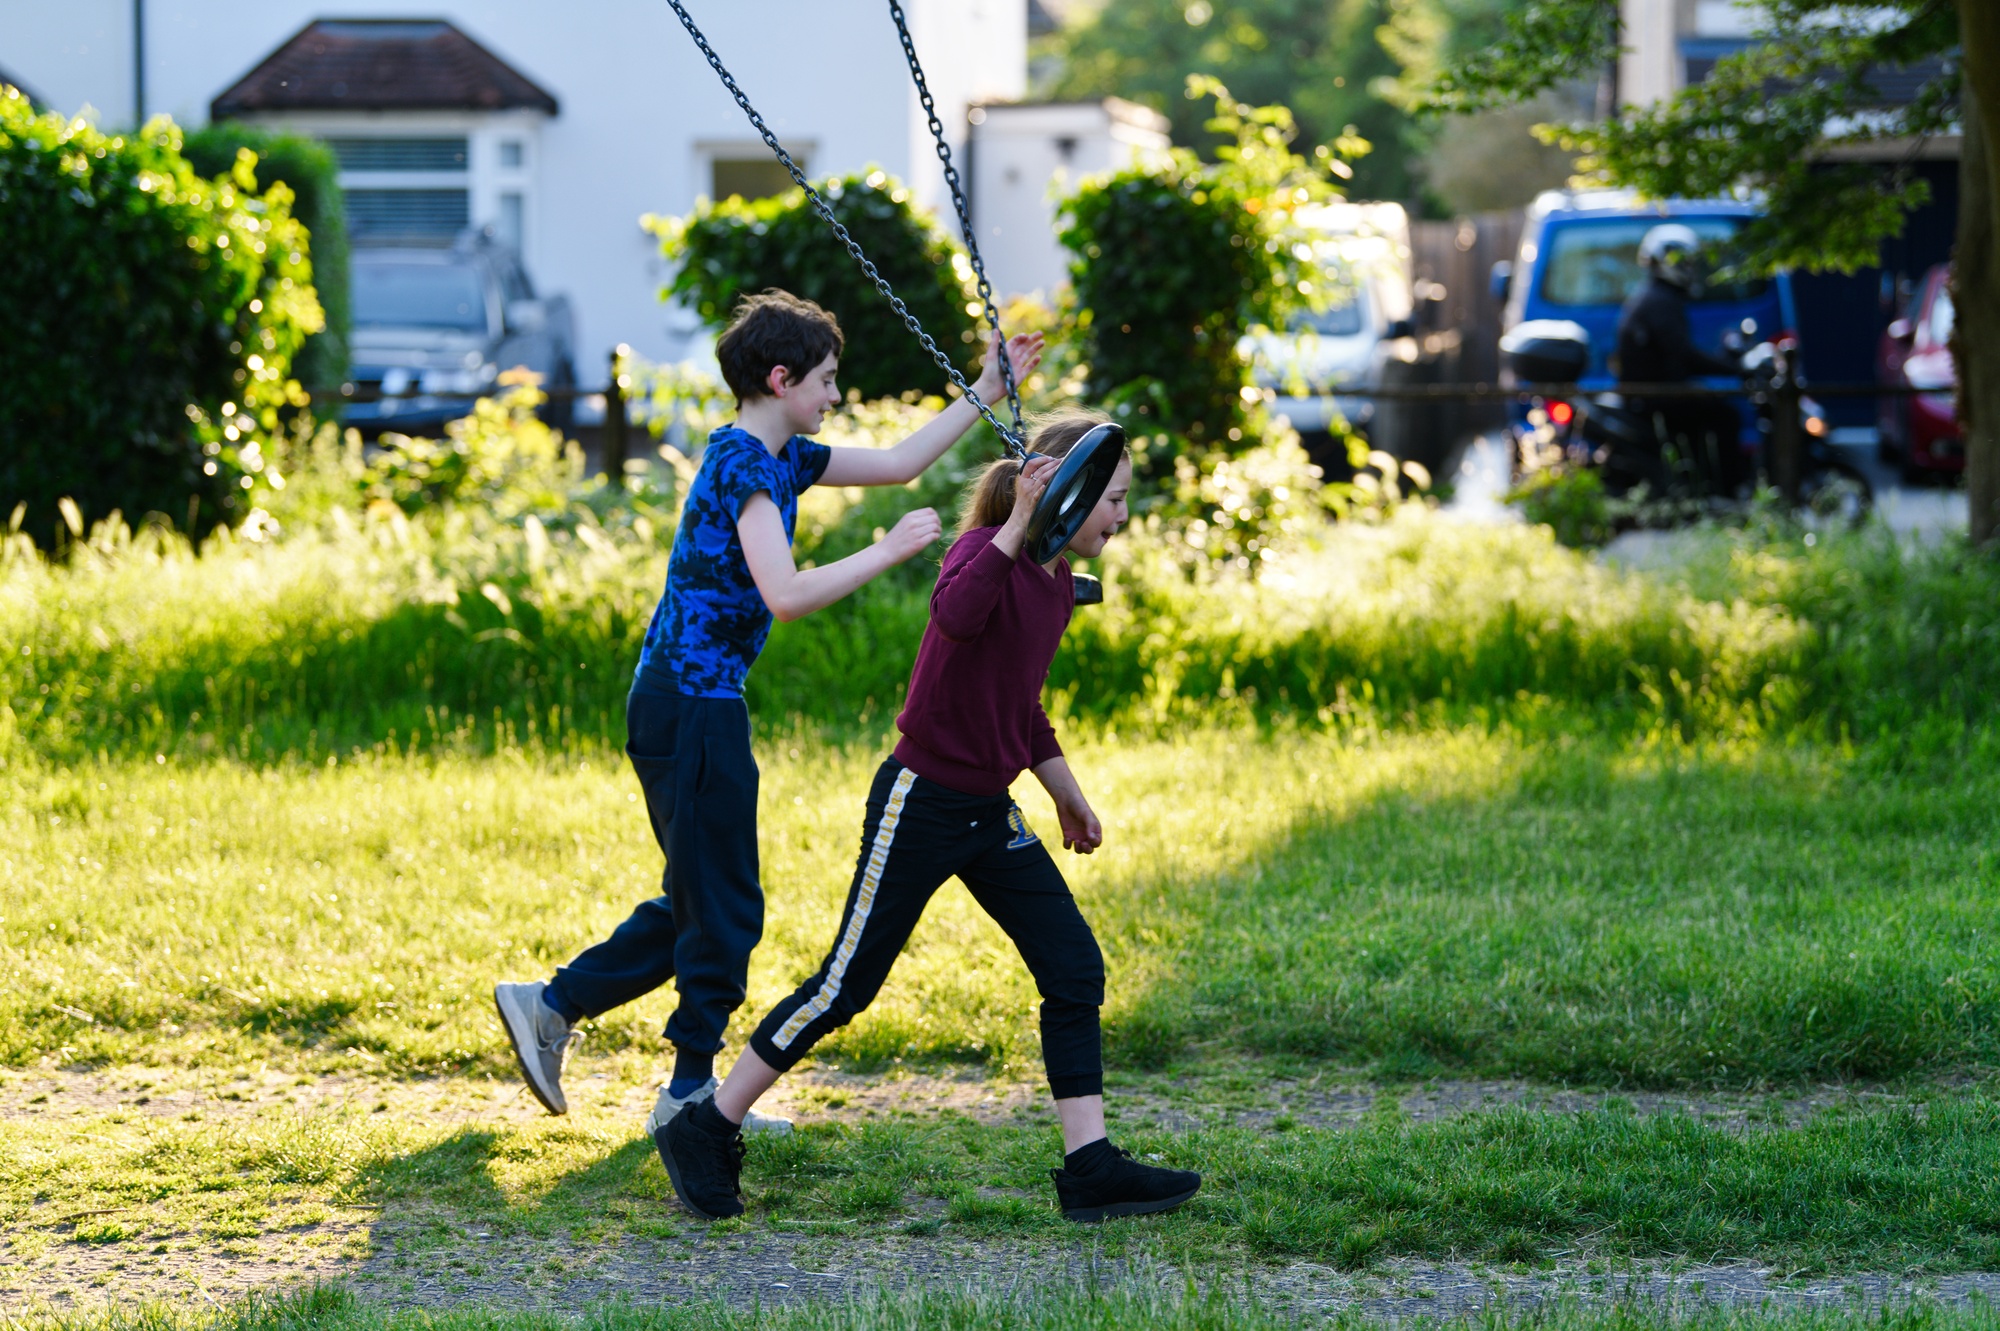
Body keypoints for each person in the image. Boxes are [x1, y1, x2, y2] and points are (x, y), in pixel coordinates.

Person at [495, 290, 1043, 1135]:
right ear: (781, 379)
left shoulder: (780, 458)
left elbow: (901, 461)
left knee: (704, 896)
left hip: (691, 703)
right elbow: (783, 594)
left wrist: (986, 390)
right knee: (723, 905)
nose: (834, 396)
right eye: (825, 380)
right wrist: (885, 549)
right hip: (690, 707)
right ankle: (685, 1092)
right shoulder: (744, 466)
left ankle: (555, 1004)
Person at [653, 411, 1202, 1225]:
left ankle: (1090, 1166)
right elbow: (956, 614)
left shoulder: (1055, 582)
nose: (1122, 515)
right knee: (844, 986)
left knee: (1073, 965)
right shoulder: (982, 552)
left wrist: (1065, 791)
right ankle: (705, 1124)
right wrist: (1015, 523)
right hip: (921, 800)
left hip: (987, 811)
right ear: (1066, 492)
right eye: (1113, 499)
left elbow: (1021, 705)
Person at [1615, 223, 1746, 495]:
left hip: (1655, 394)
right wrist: (1733, 368)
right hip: (1656, 397)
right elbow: (1684, 355)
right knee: (1725, 417)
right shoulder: (1660, 301)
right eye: (1684, 262)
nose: (1690, 268)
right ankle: (1724, 493)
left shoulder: (1656, 296)